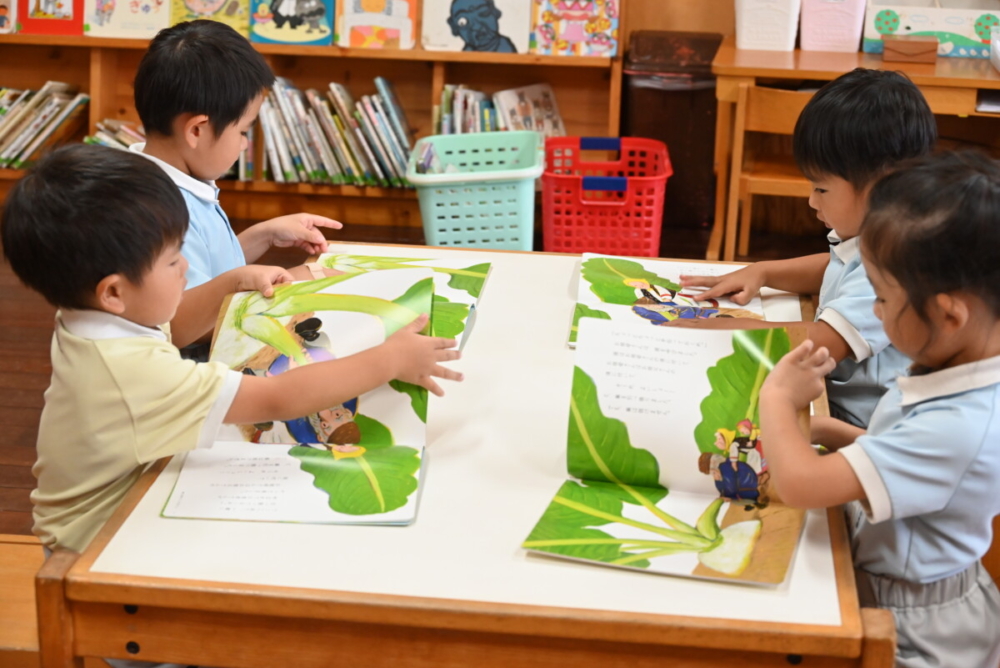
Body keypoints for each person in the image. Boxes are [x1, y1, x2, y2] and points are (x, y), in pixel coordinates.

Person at [0, 144, 462, 560]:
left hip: (120, 508)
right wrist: (391, 359)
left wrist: (233, 281)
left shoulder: (91, 316)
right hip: (102, 553)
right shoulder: (132, 371)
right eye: (173, 260)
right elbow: (278, 398)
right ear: (114, 292)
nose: (186, 268)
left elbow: (173, 325)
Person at [759, 151, 1000, 668]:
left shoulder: (961, 425)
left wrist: (778, 398)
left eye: (885, 300)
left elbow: (801, 485)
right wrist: (835, 433)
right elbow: (907, 458)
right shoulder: (956, 364)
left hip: (914, 630)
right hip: (892, 585)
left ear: (948, 313)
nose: (874, 312)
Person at [677, 69, 937, 428]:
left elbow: (823, 341)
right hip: (826, 400)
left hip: (856, 427)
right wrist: (764, 271)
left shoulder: (895, 259)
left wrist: (715, 328)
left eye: (822, 189)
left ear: (883, 186)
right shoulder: (872, 231)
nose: (812, 202)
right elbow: (833, 268)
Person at [131, 19, 343, 353]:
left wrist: (263, 235)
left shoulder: (175, 181)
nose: (244, 145)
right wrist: (290, 287)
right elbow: (180, 325)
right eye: (243, 131)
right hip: (197, 369)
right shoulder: (158, 210)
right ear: (197, 130)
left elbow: (206, 272)